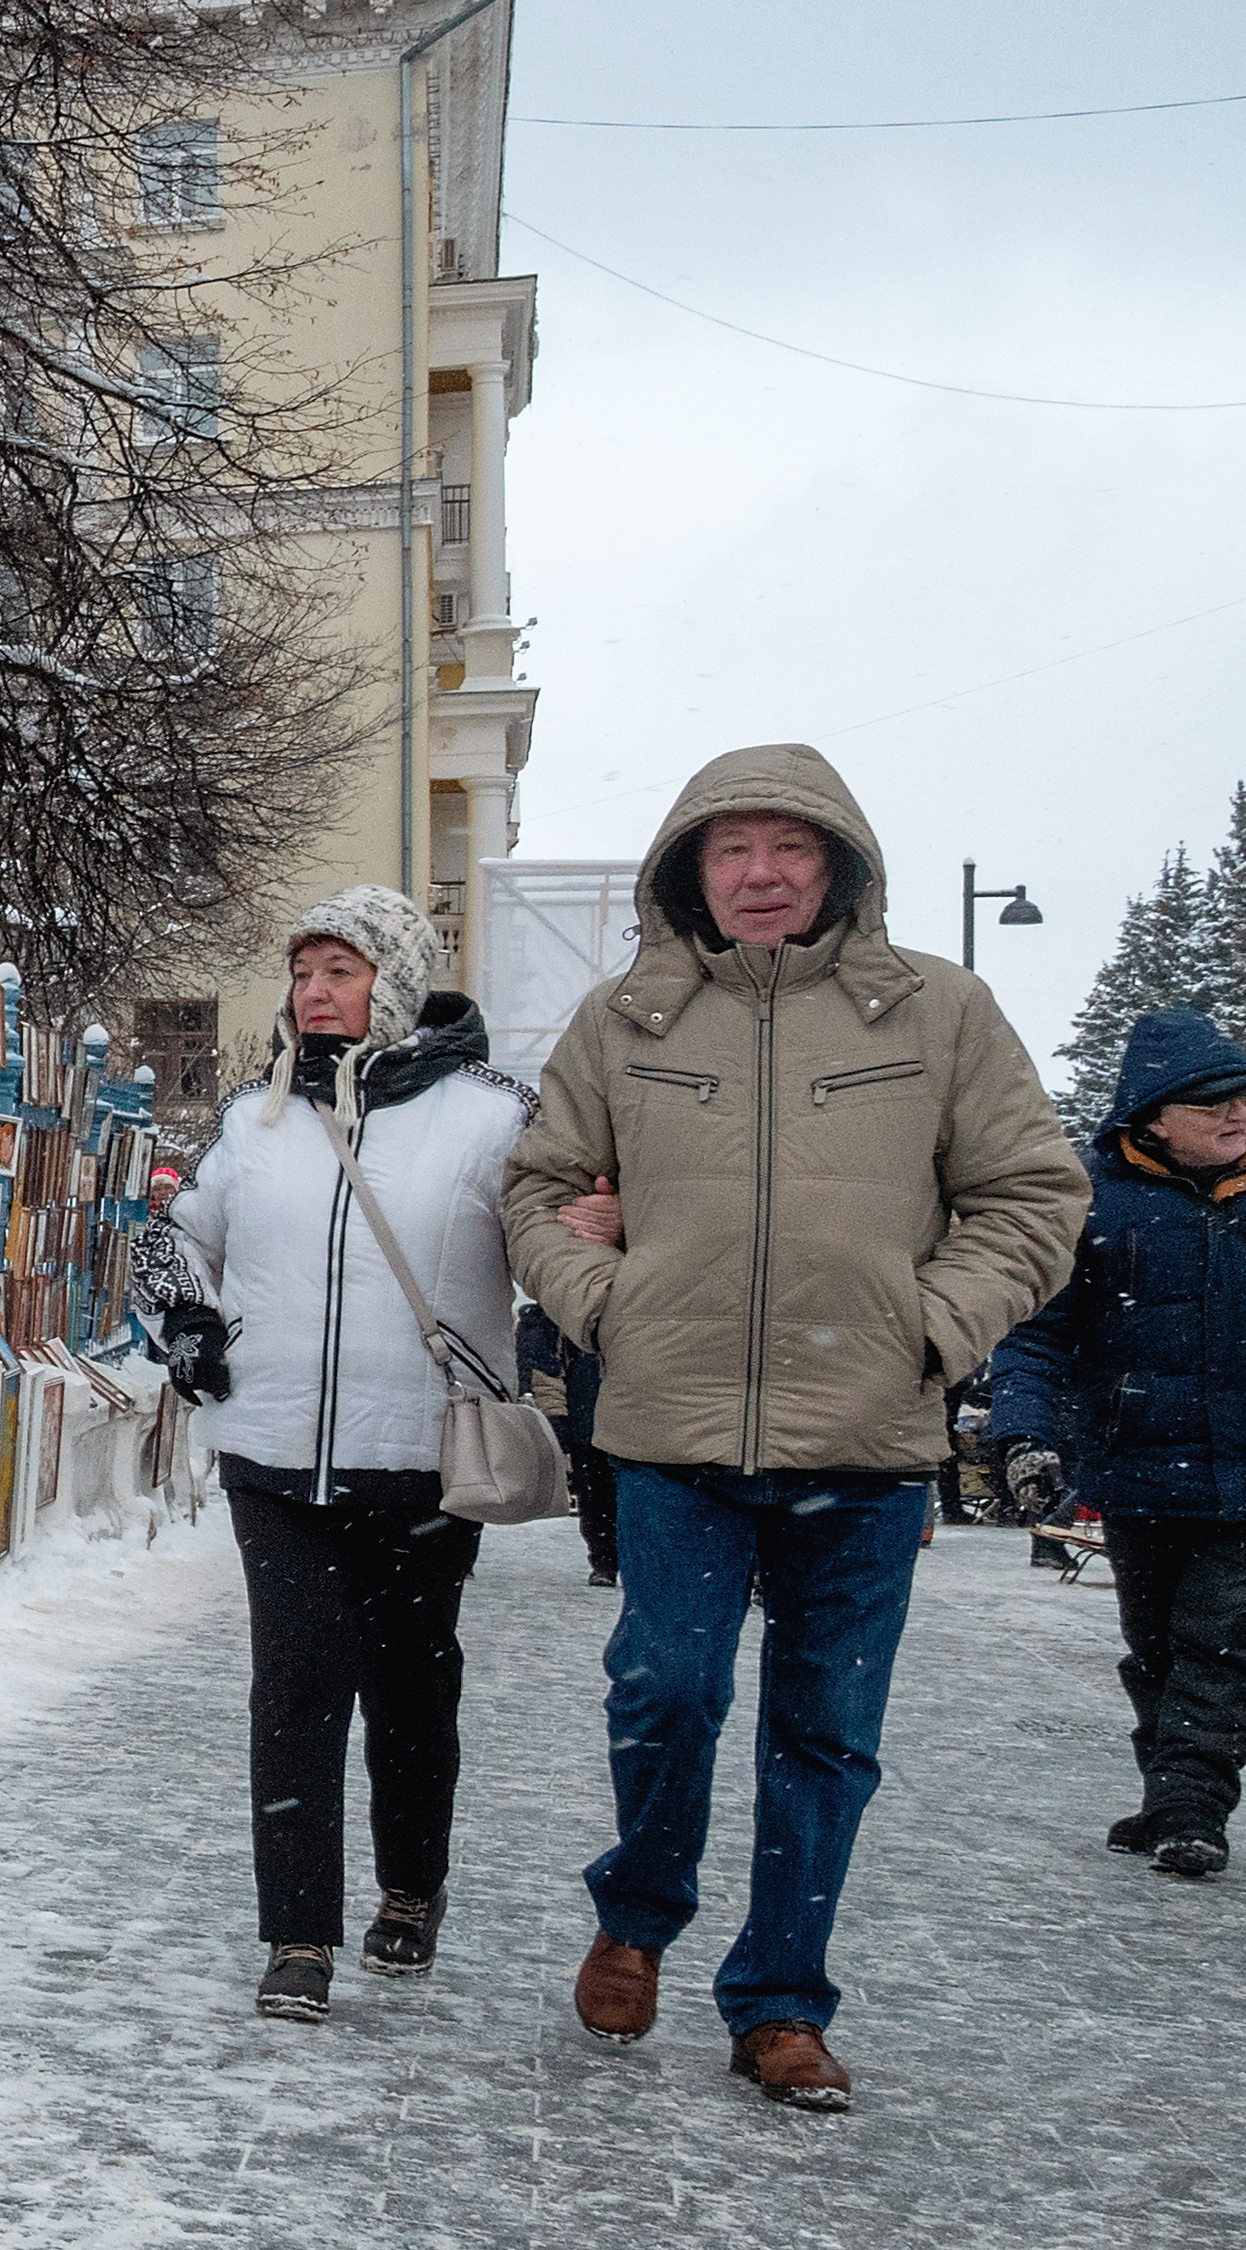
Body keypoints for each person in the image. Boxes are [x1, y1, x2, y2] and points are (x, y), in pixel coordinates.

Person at [500, 748, 1087, 2111]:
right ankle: (640, 1908)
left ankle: (779, 2003)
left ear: (838, 863)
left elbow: (1035, 1197)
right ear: (689, 872)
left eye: (788, 849)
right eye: (731, 851)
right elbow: (535, 1189)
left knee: (825, 1734)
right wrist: (608, 1302)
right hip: (674, 1432)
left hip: (868, 1441)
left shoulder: (938, 1015)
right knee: (666, 1693)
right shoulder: (627, 1020)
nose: (760, 876)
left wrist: (934, 1327)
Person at [149, 885, 532, 2026]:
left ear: (397, 984)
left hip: (422, 1455)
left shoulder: (496, 1114)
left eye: (343, 971)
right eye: (305, 972)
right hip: (272, 1457)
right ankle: (299, 1934)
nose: (315, 992)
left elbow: (559, 1242)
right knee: (296, 1691)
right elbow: (174, 1236)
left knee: (412, 1689)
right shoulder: (253, 1117)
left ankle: (411, 1885)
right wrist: (188, 1324)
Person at [988, 1004, 1246, 1884]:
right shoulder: (1091, 1199)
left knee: (1219, 1644)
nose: (1235, 1113)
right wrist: (1023, 1436)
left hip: (1243, 1480)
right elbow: (1035, 1335)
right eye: (1212, 1100)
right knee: (1156, 1646)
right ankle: (1168, 1790)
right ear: (1152, 1115)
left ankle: (1190, 1809)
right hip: (1139, 1470)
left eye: (1242, 1095)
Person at [515, 1301, 617, 1583]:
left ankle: (609, 1563)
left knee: (604, 1499)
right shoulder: (552, 1319)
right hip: (591, 1421)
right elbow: (546, 1377)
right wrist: (560, 1432)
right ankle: (606, 1562)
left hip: (607, 1419)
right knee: (598, 1499)